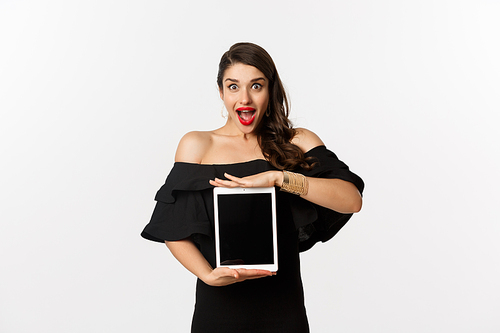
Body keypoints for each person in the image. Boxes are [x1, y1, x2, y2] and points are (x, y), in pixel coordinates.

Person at [141, 42, 364, 333]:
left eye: (256, 86)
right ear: (221, 92)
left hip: (283, 310)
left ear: (270, 90)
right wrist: (208, 276)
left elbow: (351, 199)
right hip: (218, 309)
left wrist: (278, 178)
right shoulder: (197, 145)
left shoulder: (297, 141)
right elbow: (174, 227)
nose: (244, 98)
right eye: (233, 87)